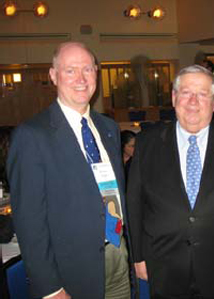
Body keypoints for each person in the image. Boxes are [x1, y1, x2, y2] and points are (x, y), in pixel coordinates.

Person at [127, 65, 214, 298]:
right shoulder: (147, 143)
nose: (193, 101)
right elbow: (135, 203)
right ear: (174, 98)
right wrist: (138, 257)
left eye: (202, 94)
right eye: (186, 93)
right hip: (163, 264)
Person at [7, 42, 131, 299]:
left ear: (96, 72)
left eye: (87, 69)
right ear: (53, 75)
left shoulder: (109, 128)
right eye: (70, 70)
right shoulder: (32, 135)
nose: (81, 79)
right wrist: (50, 288)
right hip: (70, 272)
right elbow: (29, 223)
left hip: (117, 254)